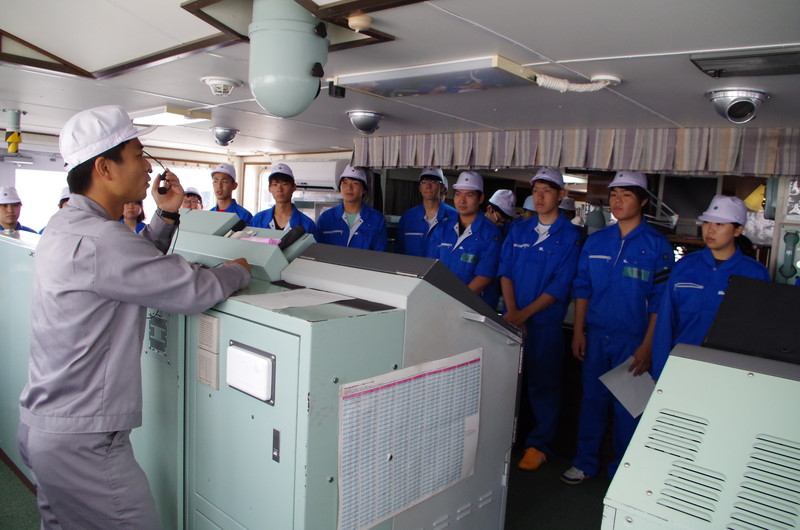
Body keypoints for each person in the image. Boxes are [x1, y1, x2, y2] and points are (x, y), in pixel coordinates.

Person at [17, 105, 251, 529]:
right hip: (83, 442)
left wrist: (166, 215)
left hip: (45, 425)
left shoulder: (65, 226)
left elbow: (130, 268)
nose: (148, 167)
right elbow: (193, 290)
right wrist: (240, 269)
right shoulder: (101, 240)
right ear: (105, 168)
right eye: (139, 154)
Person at [563, 170, 673, 485]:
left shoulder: (657, 246)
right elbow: (582, 288)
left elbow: (660, 302)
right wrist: (579, 331)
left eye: (626, 195)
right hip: (596, 336)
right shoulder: (597, 241)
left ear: (642, 201)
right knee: (592, 402)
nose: (617, 201)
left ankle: (623, 472)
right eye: (614, 195)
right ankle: (585, 463)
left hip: (633, 341)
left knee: (629, 408)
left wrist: (648, 345)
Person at [500, 168, 581, 471]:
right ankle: (506, 438)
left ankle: (539, 445)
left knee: (543, 385)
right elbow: (505, 271)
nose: (540, 196)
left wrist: (524, 314)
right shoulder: (519, 230)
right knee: (507, 382)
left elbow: (561, 285)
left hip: (544, 325)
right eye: (536, 191)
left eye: (547, 190)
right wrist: (513, 313)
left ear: (561, 195)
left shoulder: (570, 237)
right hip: (512, 320)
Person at [651, 195, 769, 380]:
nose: (710, 229)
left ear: (738, 230)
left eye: (720, 224)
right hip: (682, 365)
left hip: (729, 372)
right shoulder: (684, 267)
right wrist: (659, 369)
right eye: (706, 222)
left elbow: (759, 332)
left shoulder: (754, 273)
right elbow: (666, 321)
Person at [427, 171, 502, 308]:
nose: (462, 201)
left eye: (469, 195)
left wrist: (455, 301)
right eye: (458, 194)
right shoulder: (442, 228)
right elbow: (431, 267)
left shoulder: (491, 233)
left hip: (476, 306)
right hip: (442, 301)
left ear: (480, 198)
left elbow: (485, 276)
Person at [316, 165, 387, 250]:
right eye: (345, 182)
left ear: (364, 190)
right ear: (340, 187)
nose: (349, 188)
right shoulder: (326, 218)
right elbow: (317, 250)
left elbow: (379, 253)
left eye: (355, 183)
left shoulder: (377, 219)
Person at [396, 167, 456, 256]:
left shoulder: (454, 217)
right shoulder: (408, 217)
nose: (428, 186)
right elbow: (399, 251)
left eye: (434, 182)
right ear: (420, 187)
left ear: (442, 187)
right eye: (424, 182)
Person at [250, 163, 317, 236]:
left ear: (294, 187)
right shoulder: (258, 220)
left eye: (284, 184)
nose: (279, 189)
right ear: (269, 188)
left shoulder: (307, 224)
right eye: (275, 184)